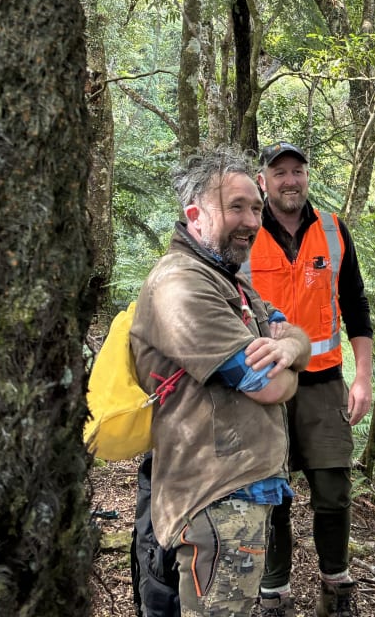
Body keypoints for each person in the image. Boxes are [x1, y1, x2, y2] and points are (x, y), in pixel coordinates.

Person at [129, 147, 311, 617]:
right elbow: (267, 387)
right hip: (214, 497)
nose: (252, 220)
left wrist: (289, 350)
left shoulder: (231, 281)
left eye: (255, 207)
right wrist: (289, 369)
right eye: (236, 207)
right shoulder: (181, 284)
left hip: (240, 491)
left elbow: (294, 335)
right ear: (195, 214)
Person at [249, 142, 373, 617]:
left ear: (307, 177)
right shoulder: (244, 229)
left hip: (324, 382)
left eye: (297, 171)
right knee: (270, 489)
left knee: (333, 488)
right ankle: (274, 592)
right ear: (264, 180)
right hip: (262, 384)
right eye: (279, 172)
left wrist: (362, 378)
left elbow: (356, 304)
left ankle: (336, 587)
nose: (289, 180)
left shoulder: (332, 230)